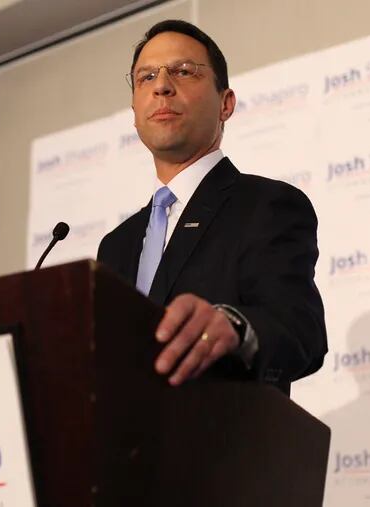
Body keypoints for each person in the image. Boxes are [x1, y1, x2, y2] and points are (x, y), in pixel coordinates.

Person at [97, 20, 326, 395]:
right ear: (134, 112)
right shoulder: (115, 245)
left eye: (184, 71)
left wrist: (233, 327)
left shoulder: (266, 206)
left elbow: (301, 330)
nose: (161, 86)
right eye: (146, 77)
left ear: (225, 104)